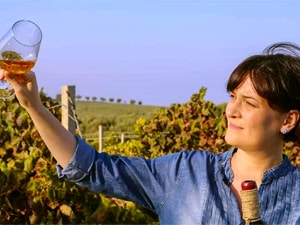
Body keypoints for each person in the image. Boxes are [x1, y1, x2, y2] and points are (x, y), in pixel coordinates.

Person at [1, 42, 300, 225]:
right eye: (232, 96)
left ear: (288, 119)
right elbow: (90, 168)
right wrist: (35, 108)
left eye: (248, 102)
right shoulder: (185, 173)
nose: (231, 110)